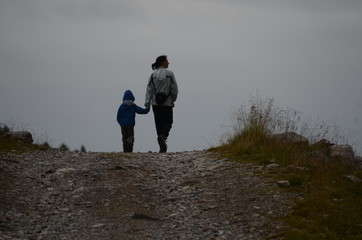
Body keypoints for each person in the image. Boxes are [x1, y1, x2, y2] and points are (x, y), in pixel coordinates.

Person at [145, 55, 178, 153]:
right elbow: (174, 89)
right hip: (167, 103)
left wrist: (147, 104)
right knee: (168, 122)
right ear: (162, 62)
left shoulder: (152, 75)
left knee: (158, 124)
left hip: (155, 104)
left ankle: (161, 145)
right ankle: (163, 137)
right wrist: (173, 99)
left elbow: (149, 90)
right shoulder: (170, 74)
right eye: (167, 61)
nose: (168, 63)